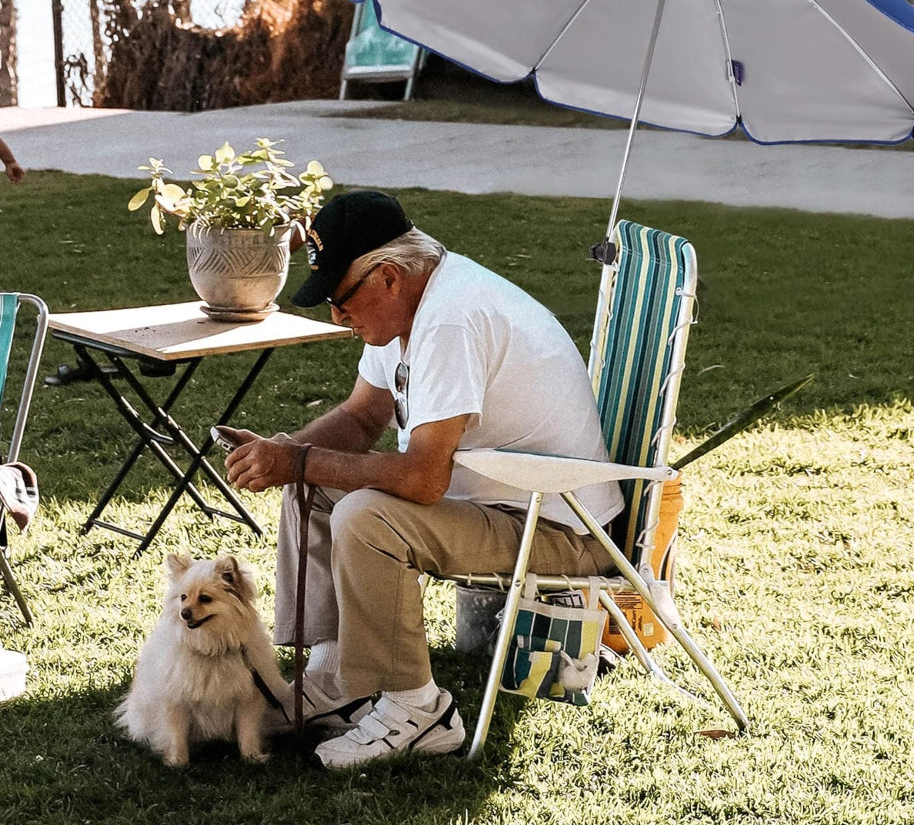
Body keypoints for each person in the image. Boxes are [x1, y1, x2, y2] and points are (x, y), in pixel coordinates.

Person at [223, 190, 623, 769]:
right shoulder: (416, 306)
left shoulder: (451, 320)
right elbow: (362, 417)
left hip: (562, 528)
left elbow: (422, 479)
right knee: (315, 482)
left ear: (387, 277)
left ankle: (419, 711)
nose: (338, 316)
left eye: (341, 299)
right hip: (501, 500)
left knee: (365, 518)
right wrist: (286, 452)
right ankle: (337, 674)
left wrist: (299, 461)